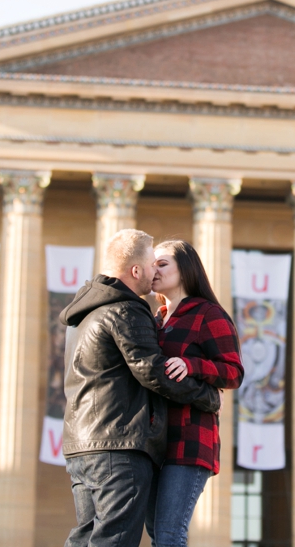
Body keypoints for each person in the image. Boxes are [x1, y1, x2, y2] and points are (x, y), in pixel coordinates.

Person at [60, 229, 222, 547]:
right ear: (136, 271)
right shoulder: (127, 309)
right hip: (119, 445)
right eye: (152, 264)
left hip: (80, 446)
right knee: (114, 539)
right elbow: (152, 370)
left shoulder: (82, 314)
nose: (154, 273)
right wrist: (206, 396)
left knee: (86, 537)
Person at [146, 240, 245, 547]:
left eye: (162, 264)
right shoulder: (157, 319)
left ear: (186, 270)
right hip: (153, 440)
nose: (154, 271)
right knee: (157, 532)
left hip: (189, 441)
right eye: (153, 265)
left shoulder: (208, 314)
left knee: (169, 534)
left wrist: (192, 365)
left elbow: (234, 372)